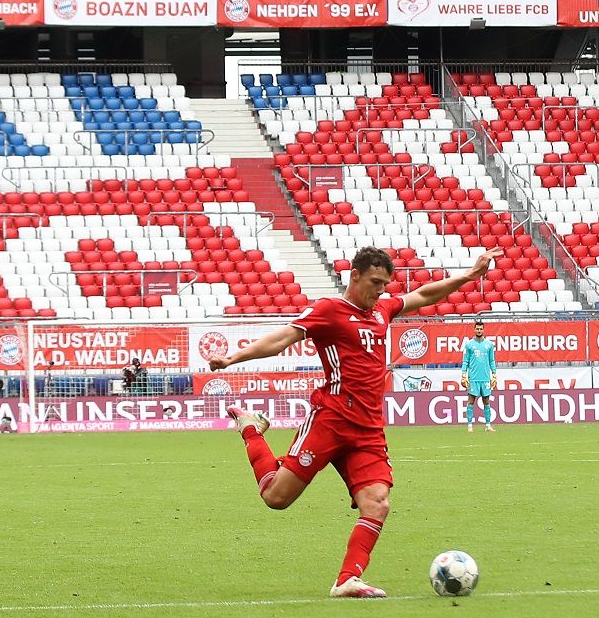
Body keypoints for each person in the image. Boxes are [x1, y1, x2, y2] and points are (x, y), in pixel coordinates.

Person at [210, 245, 496, 599]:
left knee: (377, 502)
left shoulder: (382, 310)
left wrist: (469, 276)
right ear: (354, 275)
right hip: (330, 420)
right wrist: (234, 357)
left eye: (385, 284)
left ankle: (347, 579)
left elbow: (422, 294)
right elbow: (283, 338)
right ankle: (251, 428)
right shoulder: (329, 311)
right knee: (276, 497)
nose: (380, 290)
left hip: (368, 429)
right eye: (374, 282)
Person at [461, 320, 498, 432]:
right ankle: (470, 426)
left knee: (486, 401)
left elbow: (492, 360)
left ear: (483, 330)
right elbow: (465, 361)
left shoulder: (489, 345)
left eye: (481, 329)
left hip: (485, 378)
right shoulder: (469, 344)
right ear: (474, 329)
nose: (479, 330)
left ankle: (487, 425)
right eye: (477, 328)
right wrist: (463, 375)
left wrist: (494, 374)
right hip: (474, 377)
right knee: (470, 401)